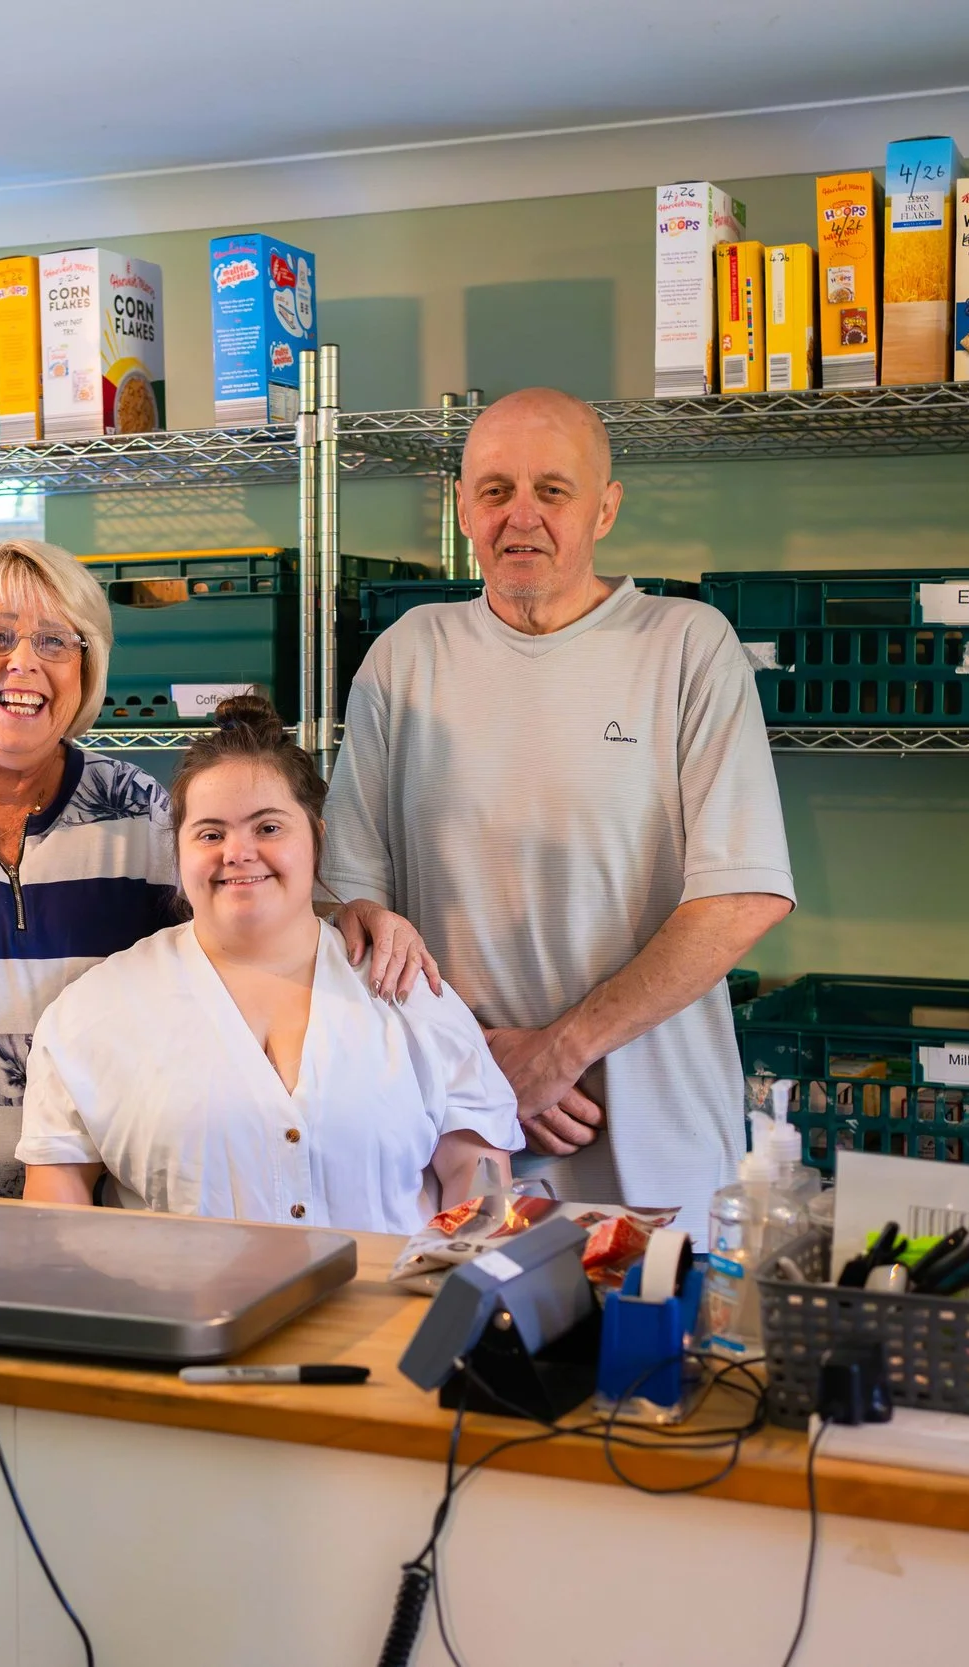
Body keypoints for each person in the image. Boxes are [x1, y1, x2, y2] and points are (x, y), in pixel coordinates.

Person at [0, 538, 439, 1199]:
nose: (25, 662)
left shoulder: (134, 810)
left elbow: (242, 927)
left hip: (98, 1198)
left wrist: (346, 919)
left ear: (87, 670)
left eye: (56, 641)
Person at [323, 388, 796, 1231]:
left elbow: (741, 898)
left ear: (606, 507)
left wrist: (558, 1051)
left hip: (661, 1147)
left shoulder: (688, 647)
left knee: (654, 1357)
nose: (521, 517)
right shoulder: (405, 661)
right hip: (460, 1136)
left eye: (554, 490)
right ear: (463, 506)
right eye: (495, 490)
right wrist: (479, 1061)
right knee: (458, 1351)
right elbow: (347, 907)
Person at [17, 695, 520, 1234]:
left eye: (268, 828)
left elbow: (478, 1174)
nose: (238, 852)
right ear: (179, 852)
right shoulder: (93, 1014)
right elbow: (55, 1212)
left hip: (398, 1315)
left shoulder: (406, 991)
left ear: (316, 840)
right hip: (179, 1316)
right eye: (210, 834)